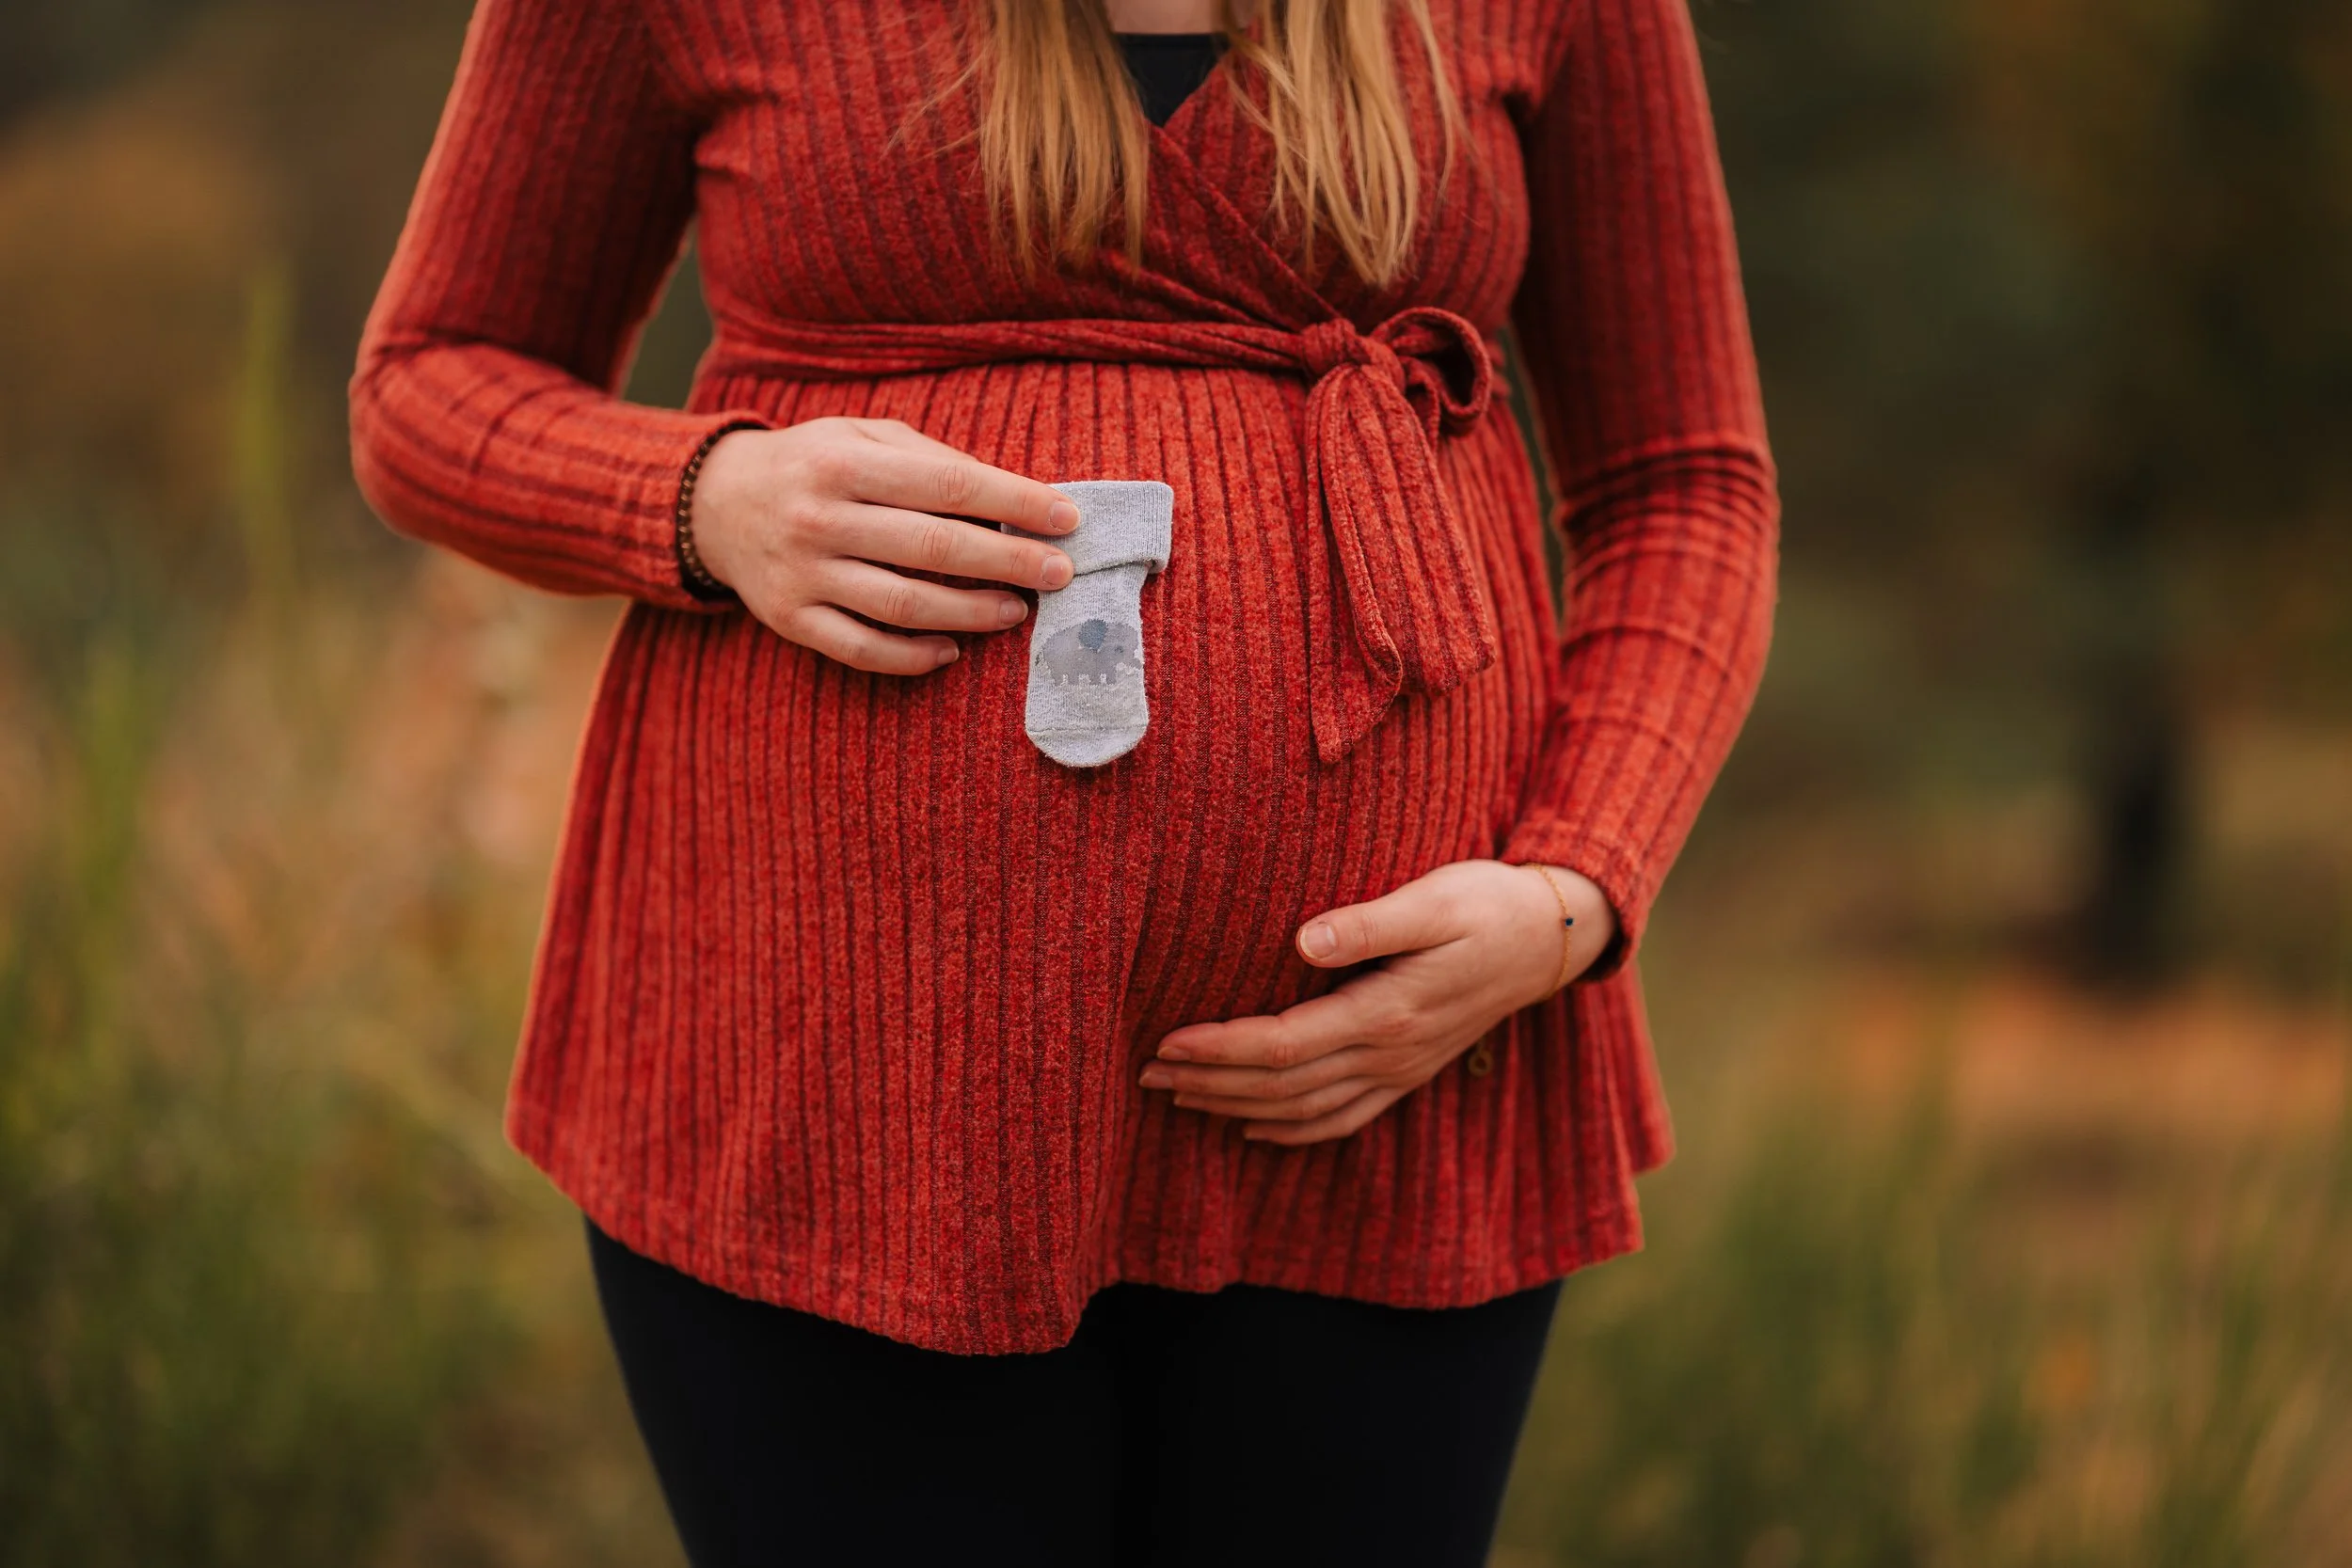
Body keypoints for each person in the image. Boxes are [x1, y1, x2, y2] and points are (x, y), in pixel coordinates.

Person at [348, 0, 1778, 1560]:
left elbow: (1684, 482)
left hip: (1392, 1100)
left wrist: (1573, 891)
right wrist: (705, 497)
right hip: (833, 1089)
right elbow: (426, 383)